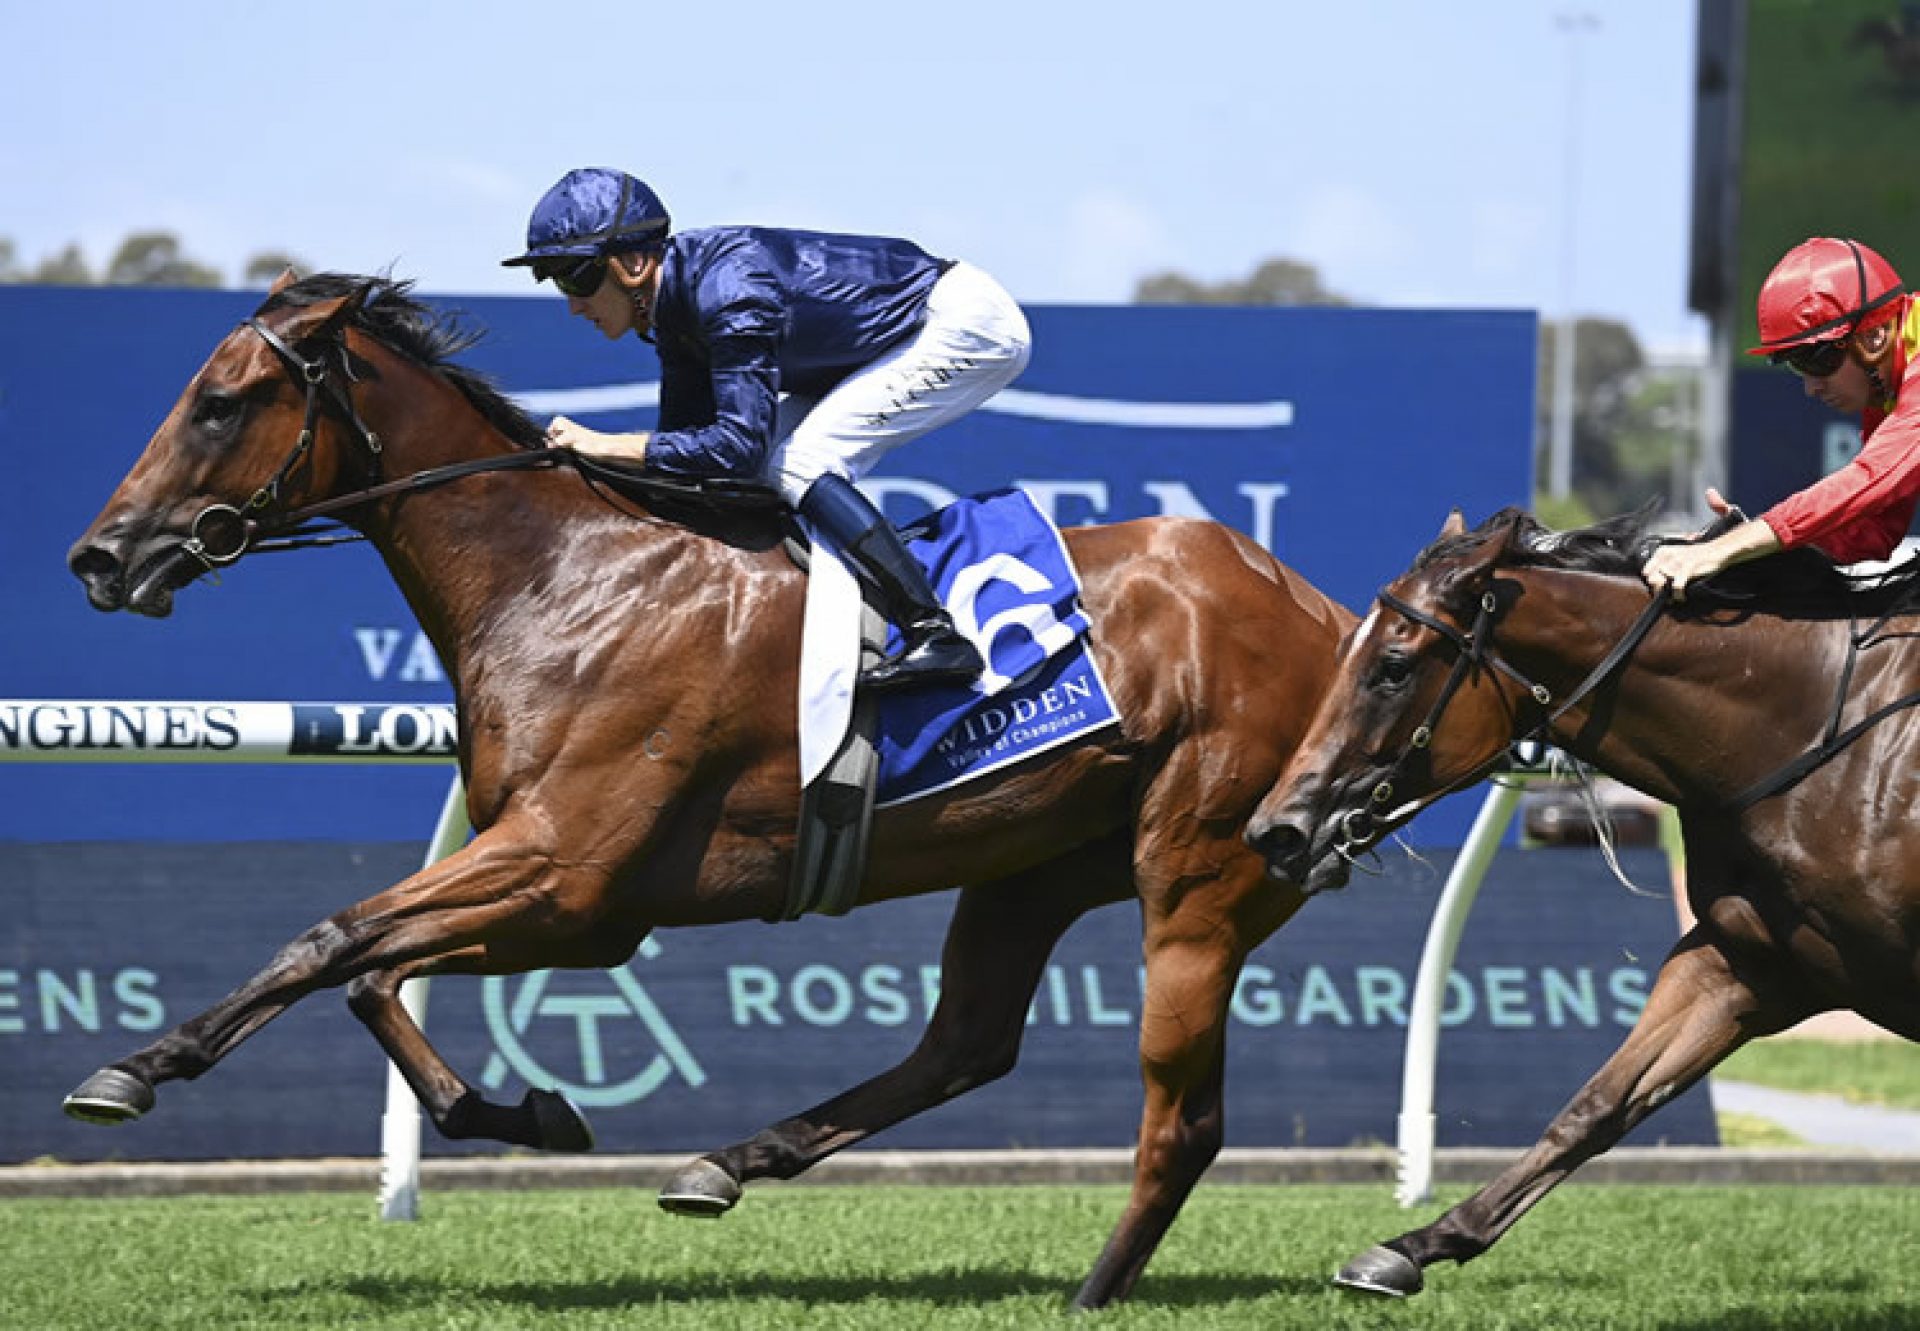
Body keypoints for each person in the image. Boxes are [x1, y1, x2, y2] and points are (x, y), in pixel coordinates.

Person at [503, 167, 1032, 692]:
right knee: (758, 469)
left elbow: (733, 446)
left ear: (635, 264)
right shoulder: (672, 313)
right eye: (557, 283)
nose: (572, 305)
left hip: (963, 325)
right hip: (886, 337)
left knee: (798, 461)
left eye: (578, 278)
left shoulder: (729, 293)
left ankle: (933, 631)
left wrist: (606, 444)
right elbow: (686, 469)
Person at [1643, 236, 1920, 600]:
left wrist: (1725, 549)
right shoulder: (1886, 384)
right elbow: (1872, 531)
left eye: (1816, 362)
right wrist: (1747, 546)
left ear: (1873, 338)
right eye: (1796, 366)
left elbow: (1869, 479)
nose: (1811, 388)